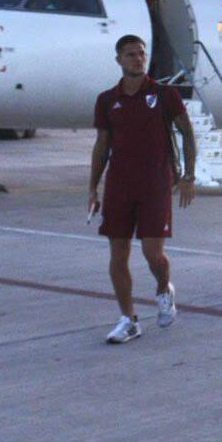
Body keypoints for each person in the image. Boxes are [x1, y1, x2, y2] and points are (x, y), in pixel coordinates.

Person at [89, 34, 197, 344]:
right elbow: (102, 145)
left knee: (154, 254)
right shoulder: (107, 100)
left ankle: (164, 289)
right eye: (131, 54)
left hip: (155, 184)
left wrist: (188, 176)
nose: (138, 59)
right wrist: (92, 187)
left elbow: (187, 134)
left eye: (141, 53)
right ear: (118, 60)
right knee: (118, 253)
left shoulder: (164, 95)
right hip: (119, 185)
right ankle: (128, 319)